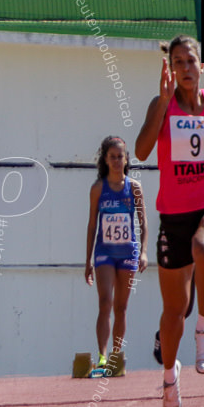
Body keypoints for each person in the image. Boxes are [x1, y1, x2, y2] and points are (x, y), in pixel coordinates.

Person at [135, 35, 204, 407]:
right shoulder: (162, 105)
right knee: (174, 311)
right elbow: (141, 151)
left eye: (191, 61)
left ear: (201, 66)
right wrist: (161, 104)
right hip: (173, 214)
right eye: (178, 63)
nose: (186, 69)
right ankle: (170, 378)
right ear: (170, 69)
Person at [84, 135, 147, 372]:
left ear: (126, 158)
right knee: (105, 302)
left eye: (120, 157)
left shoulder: (135, 188)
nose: (117, 161)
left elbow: (144, 222)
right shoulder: (98, 188)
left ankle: (115, 356)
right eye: (112, 157)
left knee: (121, 307)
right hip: (104, 252)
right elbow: (92, 225)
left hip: (128, 252)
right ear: (106, 160)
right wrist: (88, 260)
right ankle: (101, 356)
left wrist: (143, 252)